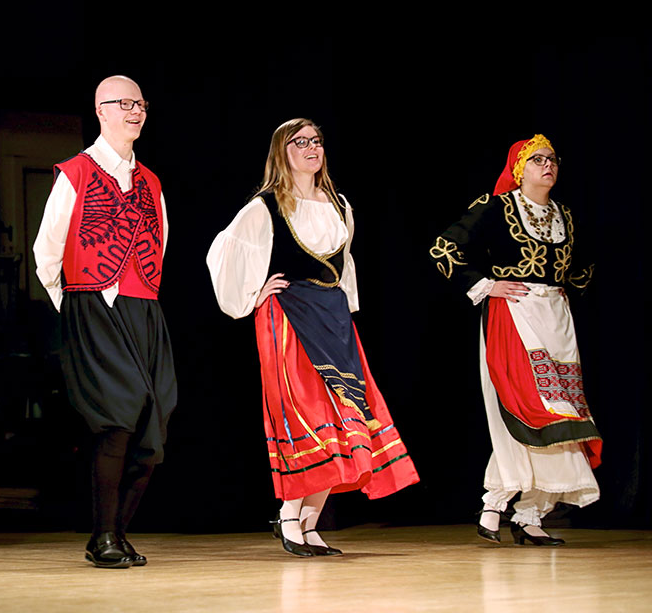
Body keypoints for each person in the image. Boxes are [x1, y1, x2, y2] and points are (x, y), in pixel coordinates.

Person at [207, 118, 419, 557]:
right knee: (303, 409)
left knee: (345, 412)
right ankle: (288, 518)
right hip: (287, 315)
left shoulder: (340, 204)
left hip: (333, 316)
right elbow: (225, 251)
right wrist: (250, 295)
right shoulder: (266, 206)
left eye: (316, 141)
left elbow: (347, 263)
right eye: (299, 142)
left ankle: (310, 521)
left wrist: (346, 309)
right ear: (282, 152)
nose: (311, 148)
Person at [429, 134, 601, 546]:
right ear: (519, 167)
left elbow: (581, 268)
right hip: (514, 315)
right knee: (527, 411)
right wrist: (486, 284)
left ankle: (529, 513)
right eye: (537, 159)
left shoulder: (565, 214)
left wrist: (562, 290)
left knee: (563, 418)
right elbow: (445, 249)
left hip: (556, 319)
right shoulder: (497, 206)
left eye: (553, 159)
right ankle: (494, 502)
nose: (548, 165)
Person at [33, 75, 176, 568]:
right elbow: (46, 253)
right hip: (91, 304)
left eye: (141, 103)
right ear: (101, 110)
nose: (135, 111)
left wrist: (141, 299)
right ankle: (103, 536)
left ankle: (114, 533)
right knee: (118, 417)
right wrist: (75, 310)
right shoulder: (75, 172)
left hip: (143, 309)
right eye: (125, 103)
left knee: (152, 426)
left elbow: (159, 249)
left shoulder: (152, 181)